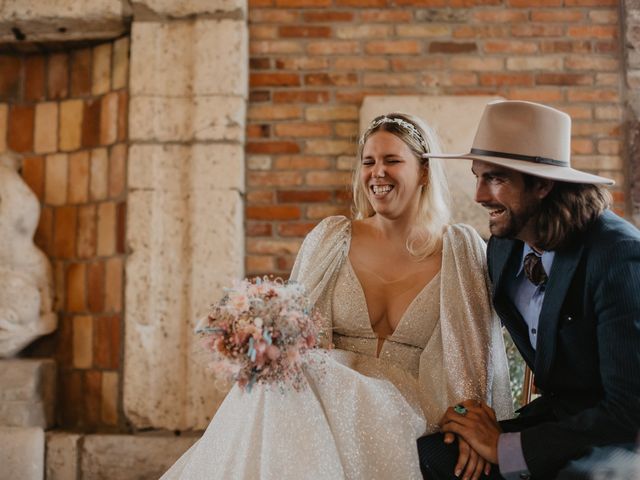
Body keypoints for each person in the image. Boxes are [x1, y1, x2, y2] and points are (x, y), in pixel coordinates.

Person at [161, 113, 513, 480]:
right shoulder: (332, 238)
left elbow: (474, 357)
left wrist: (469, 427)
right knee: (290, 383)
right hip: (325, 401)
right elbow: (298, 337)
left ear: (424, 171)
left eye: (392, 161)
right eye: (369, 162)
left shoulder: (459, 247)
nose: (378, 172)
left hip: (408, 406)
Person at [418, 100, 640, 480]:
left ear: (541, 184)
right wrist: (470, 420)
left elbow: (627, 411)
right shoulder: (503, 248)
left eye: (496, 179)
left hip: (618, 441)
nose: (479, 196)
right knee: (431, 457)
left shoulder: (618, 256)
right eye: (477, 176)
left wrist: (505, 448)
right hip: (555, 422)